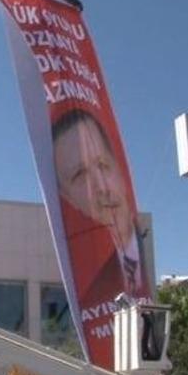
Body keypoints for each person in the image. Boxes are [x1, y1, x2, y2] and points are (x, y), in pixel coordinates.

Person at [52, 109, 150, 301]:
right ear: (68, 197)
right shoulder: (90, 284)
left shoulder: (143, 263)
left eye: (103, 165)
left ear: (119, 167)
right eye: (80, 174)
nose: (102, 187)